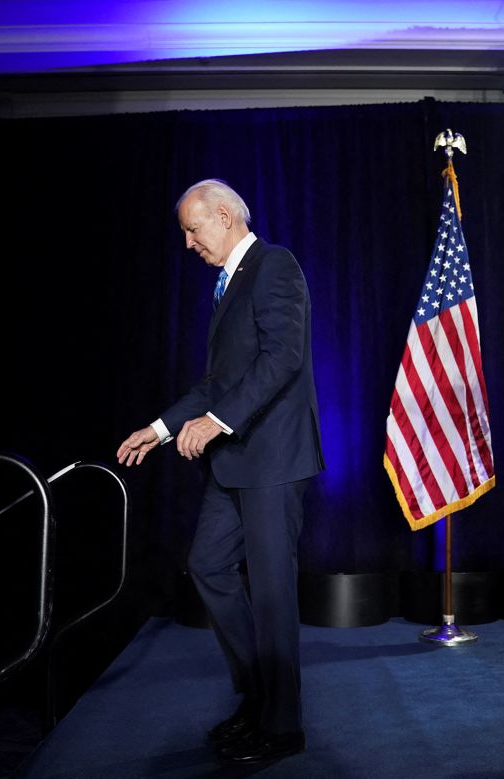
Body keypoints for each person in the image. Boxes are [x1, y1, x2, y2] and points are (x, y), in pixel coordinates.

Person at [117, 179, 324, 764]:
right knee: (207, 565)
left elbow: (283, 357)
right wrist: (159, 430)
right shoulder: (227, 283)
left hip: (274, 459)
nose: (187, 242)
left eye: (192, 228)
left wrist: (218, 422)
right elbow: (217, 382)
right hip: (235, 462)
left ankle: (283, 727)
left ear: (226, 216)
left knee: (274, 592)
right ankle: (258, 696)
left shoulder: (273, 265)